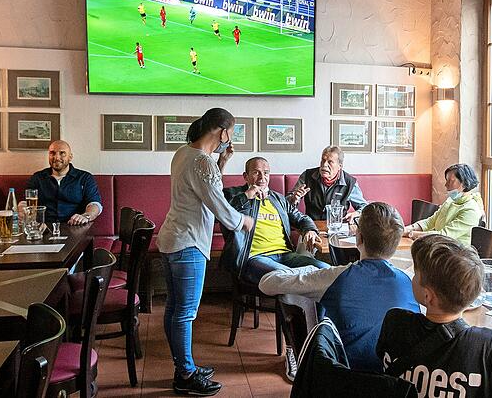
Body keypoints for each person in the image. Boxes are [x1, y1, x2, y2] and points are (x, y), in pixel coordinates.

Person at [376, 234, 492, 398]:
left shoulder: (395, 323)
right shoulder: (490, 347)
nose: (412, 277)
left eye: (416, 274)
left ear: (428, 296)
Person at [156, 108, 254, 396]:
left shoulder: (185, 154)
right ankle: (185, 374)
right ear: (222, 132)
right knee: (185, 313)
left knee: (175, 308)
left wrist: (220, 163)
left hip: (172, 239)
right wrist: (242, 221)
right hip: (189, 244)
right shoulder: (202, 163)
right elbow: (218, 204)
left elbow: (204, 189)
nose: (229, 139)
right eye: (230, 134)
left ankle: (183, 366)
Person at [259, 202, 420, 373]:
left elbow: (266, 284)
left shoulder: (334, 277)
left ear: (359, 238)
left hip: (345, 377)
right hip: (397, 382)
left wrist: (310, 271)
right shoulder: (412, 283)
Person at [228, 157, 328, 285]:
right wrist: (246, 195)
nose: (262, 177)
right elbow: (223, 212)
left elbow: (301, 218)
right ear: (245, 176)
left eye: (266, 172)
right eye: (256, 172)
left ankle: (311, 303)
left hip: (285, 255)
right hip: (255, 257)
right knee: (291, 278)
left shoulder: (278, 199)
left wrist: (310, 230)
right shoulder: (234, 195)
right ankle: (302, 303)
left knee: (325, 270)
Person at [403, 164, 485, 245]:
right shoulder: (451, 201)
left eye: (451, 181)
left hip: (457, 253)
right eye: (446, 180)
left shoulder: (471, 210)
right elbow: (430, 222)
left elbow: (444, 236)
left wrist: (412, 234)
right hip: (440, 247)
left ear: (464, 183)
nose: (446, 185)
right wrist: (407, 229)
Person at [25, 140, 102, 225]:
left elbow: (95, 204)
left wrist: (86, 216)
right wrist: (22, 210)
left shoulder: (85, 178)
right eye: (52, 153)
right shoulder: (37, 178)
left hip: (75, 227)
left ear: (70, 157)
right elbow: (24, 203)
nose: (57, 157)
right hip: (45, 229)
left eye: (62, 153)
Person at [287, 146, 368, 221]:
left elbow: (365, 207)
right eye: (323, 160)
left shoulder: (350, 183)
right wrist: (294, 198)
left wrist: (356, 214)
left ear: (340, 166)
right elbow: (285, 203)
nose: (324, 165)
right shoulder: (307, 176)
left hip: (338, 227)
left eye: (330, 162)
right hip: (311, 226)